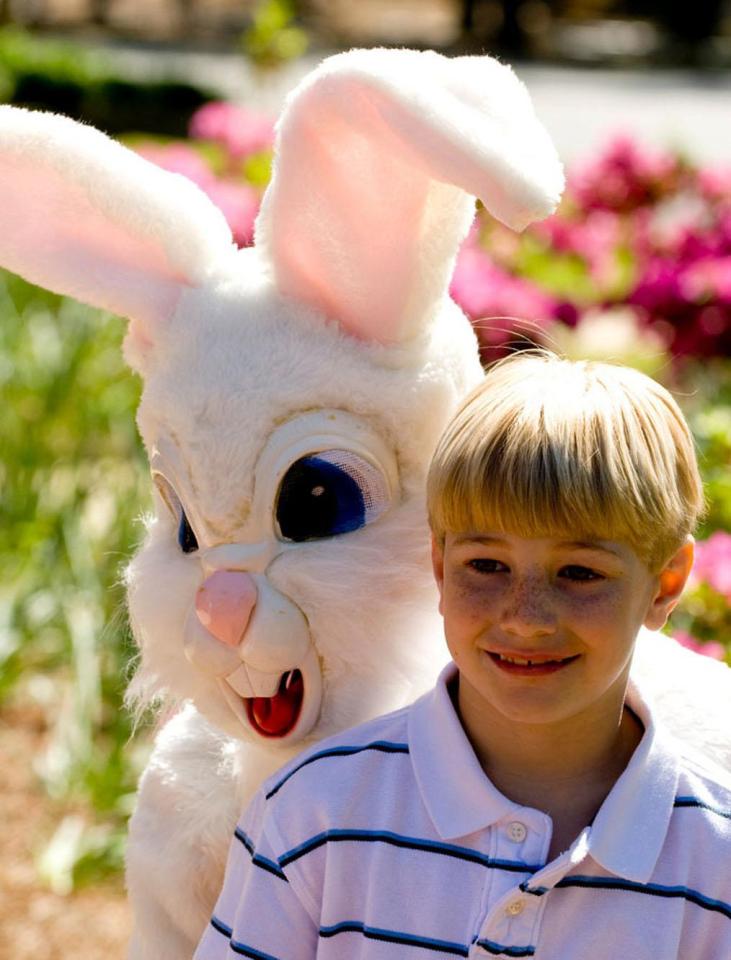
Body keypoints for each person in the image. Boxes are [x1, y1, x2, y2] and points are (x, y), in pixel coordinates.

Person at [194, 352, 731, 959]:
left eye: (579, 572)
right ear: (438, 567)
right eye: (487, 566)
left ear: (664, 583)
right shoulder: (312, 816)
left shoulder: (717, 859)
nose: (526, 617)